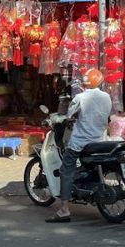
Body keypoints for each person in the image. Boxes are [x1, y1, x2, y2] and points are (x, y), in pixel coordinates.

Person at [47, 68, 112, 223]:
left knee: (66, 169)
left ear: (84, 83)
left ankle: (64, 209)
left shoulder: (80, 98)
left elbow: (69, 116)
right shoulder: (107, 97)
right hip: (99, 141)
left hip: (80, 142)